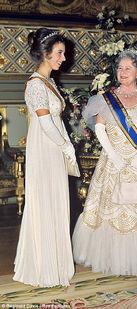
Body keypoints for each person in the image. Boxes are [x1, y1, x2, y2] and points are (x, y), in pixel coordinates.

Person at [72, 49, 137, 275]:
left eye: (128, 68)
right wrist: (114, 156)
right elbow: (100, 127)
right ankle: (107, 257)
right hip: (112, 162)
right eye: (120, 68)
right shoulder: (106, 98)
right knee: (108, 209)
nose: (122, 72)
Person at [13, 28, 78, 287]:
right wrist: (66, 146)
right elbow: (46, 123)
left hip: (54, 149)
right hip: (46, 149)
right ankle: (42, 267)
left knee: (57, 203)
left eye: (63, 52)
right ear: (45, 53)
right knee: (44, 203)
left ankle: (58, 264)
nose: (64, 58)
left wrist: (64, 146)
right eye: (59, 53)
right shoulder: (35, 84)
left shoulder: (50, 82)